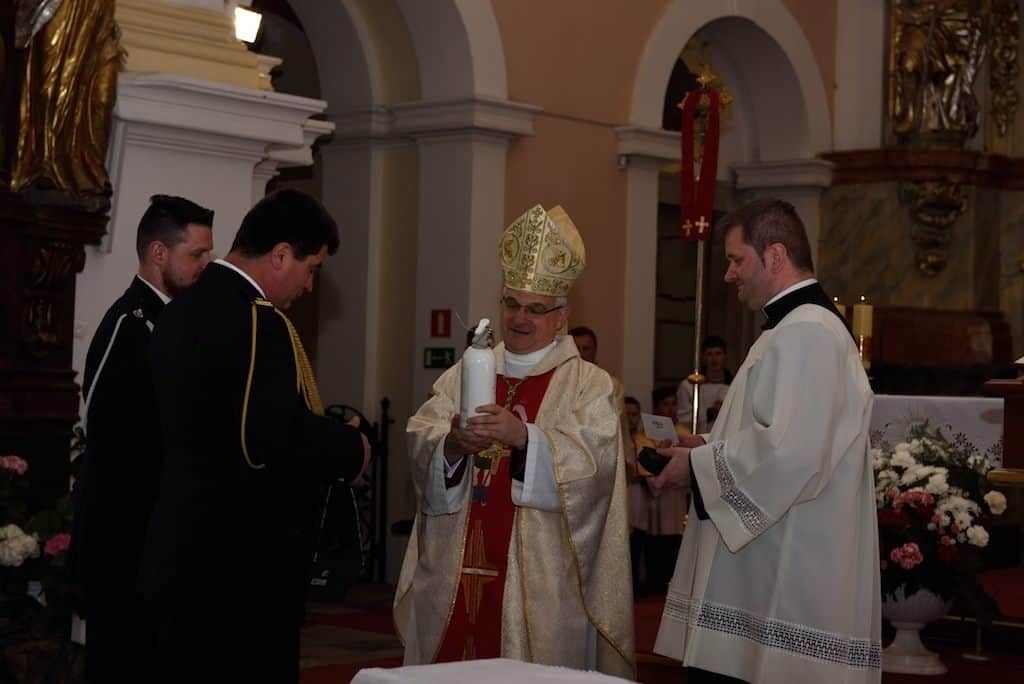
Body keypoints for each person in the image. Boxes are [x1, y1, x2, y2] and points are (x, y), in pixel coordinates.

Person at [140, 189, 370, 683]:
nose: (310, 284)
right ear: (281, 254)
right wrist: (351, 448)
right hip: (242, 567)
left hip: (179, 551)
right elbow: (270, 436)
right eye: (311, 267)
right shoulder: (259, 320)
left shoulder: (178, 308)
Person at [395, 204, 634, 678]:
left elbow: (595, 471)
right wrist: (452, 447)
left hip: (540, 586)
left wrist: (524, 437)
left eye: (535, 309)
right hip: (455, 568)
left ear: (561, 316)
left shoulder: (589, 385)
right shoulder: (463, 372)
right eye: (511, 304)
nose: (519, 318)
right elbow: (423, 433)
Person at [650, 199, 880, 683]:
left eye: (737, 260)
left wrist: (697, 469)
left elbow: (790, 451)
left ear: (774, 256)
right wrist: (705, 447)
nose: (729, 275)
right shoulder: (792, 328)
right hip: (767, 566)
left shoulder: (809, 331)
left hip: (788, 571)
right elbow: (778, 430)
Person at [70, 194, 213, 684]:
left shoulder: (172, 323)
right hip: (124, 548)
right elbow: (109, 442)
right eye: (197, 254)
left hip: (157, 546)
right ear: (158, 253)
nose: (206, 264)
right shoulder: (131, 324)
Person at [631, 387, 688, 595]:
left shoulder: (685, 433)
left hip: (678, 498)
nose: (671, 409)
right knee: (655, 546)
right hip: (655, 501)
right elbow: (646, 466)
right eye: (666, 404)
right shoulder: (644, 436)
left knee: (676, 544)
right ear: (656, 408)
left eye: (674, 404)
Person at [676, 335, 732, 434]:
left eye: (718, 354)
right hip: (698, 435)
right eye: (709, 354)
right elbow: (682, 418)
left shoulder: (734, 384)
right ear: (703, 357)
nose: (714, 359)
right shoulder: (689, 385)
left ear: (725, 356)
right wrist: (709, 413)